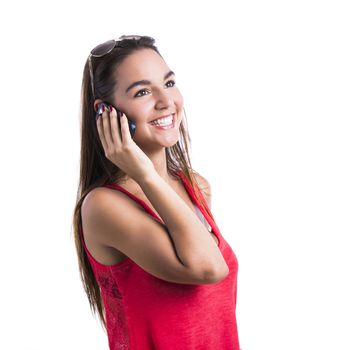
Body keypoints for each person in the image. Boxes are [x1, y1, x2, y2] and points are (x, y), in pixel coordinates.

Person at [72, 34, 240, 349]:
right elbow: (209, 268)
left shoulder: (195, 186)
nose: (166, 101)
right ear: (104, 112)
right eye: (143, 91)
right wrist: (146, 175)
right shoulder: (103, 207)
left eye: (169, 83)